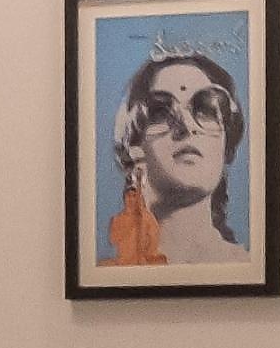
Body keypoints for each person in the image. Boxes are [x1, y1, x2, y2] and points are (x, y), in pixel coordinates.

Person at [101, 45, 246, 268]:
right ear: (134, 146)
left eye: (206, 109)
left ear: (227, 146)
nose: (186, 126)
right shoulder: (110, 274)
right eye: (160, 111)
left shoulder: (242, 267)